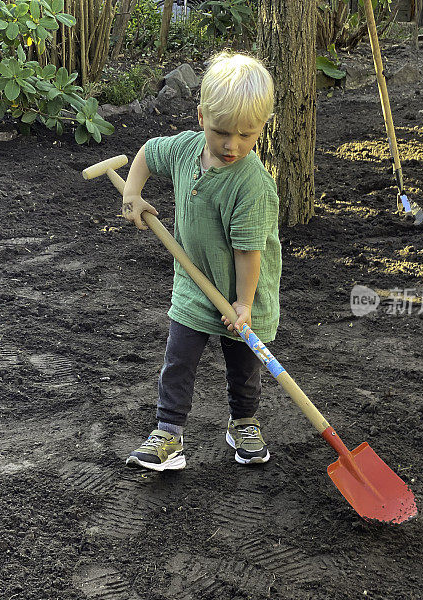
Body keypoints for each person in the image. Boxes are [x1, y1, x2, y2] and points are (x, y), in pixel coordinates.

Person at [121, 51, 281, 471]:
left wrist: (243, 305)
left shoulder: (252, 187)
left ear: (262, 127)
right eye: (221, 132)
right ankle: (168, 434)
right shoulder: (184, 150)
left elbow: (249, 254)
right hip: (194, 285)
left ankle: (244, 422)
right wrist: (132, 195)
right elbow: (147, 154)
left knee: (244, 367)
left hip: (243, 293)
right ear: (201, 117)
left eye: (246, 135)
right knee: (179, 361)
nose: (232, 145)